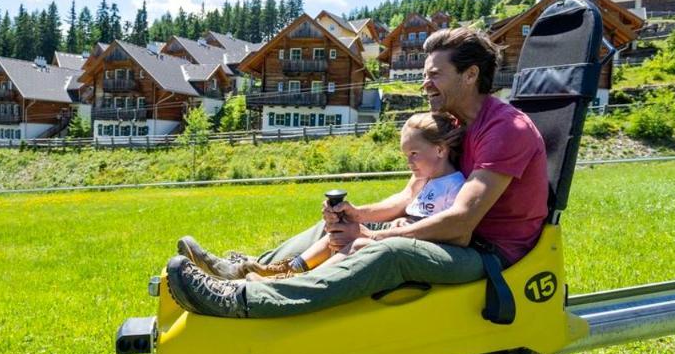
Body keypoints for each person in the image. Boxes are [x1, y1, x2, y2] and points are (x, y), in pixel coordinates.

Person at [166, 26, 549, 318]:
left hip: (486, 252)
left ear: (470, 75)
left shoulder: (505, 130)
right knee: (333, 227)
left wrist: (377, 237)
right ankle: (243, 270)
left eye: (435, 74)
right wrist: (358, 217)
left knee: (393, 252)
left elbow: (461, 222)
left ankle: (247, 300)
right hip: (450, 235)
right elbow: (411, 195)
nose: (424, 82)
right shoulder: (453, 124)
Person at [239, 112, 465, 281]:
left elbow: (446, 228)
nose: (409, 162)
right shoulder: (425, 179)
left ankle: (300, 281)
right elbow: (406, 201)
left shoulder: (454, 186)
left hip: (415, 245)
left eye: (414, 154)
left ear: (440, 149)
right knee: (342, 229)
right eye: (406, 155)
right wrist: (355, 214)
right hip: (399, 235)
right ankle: (291, 268)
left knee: (357, 244)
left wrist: (404, 227)